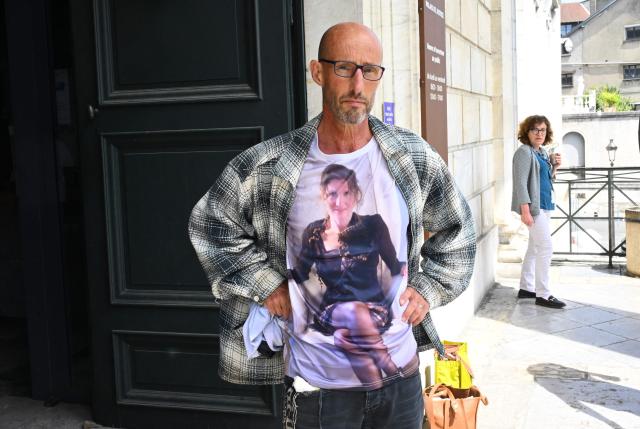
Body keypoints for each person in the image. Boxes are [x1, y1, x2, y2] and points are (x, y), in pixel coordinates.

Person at [189, 22, 476, 429]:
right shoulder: (272, 166)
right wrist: (267, 285)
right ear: (318, 72)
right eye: (344, 67)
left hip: (401, 382)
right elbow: (210, 223)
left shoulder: (410, 157)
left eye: (370, 70)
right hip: (318, 389)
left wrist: (426, 289)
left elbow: (456, 229)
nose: (358, 83)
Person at [292, 163, 412, 389]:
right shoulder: (314, 233)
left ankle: (377, 390)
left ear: (356, 194)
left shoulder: (373, 225)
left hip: (374, 309)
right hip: (333, 311)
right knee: (353, 311)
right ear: (323, 196)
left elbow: (394, 266)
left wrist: (404, 270)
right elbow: (299, 273)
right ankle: (391, 370)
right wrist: (274, 285)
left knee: (347, 339)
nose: (340, 202)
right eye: (333, 194)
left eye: (346, 192)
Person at [512, 115, 566, 309]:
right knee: (546, 247)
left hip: (544, 204)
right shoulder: (524, 153)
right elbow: (520, 183)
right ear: (527, 132)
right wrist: (525, 210)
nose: (539, 133)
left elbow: (544, 179)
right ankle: (543, 294)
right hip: (534, 208)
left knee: (534, 248)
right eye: (535, 130)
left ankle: (526, 287)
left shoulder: (541, 152)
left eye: (542, 130)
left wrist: (555, 167)